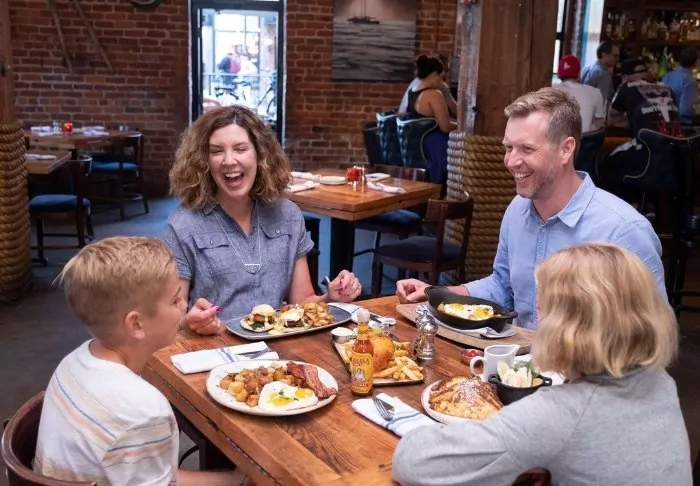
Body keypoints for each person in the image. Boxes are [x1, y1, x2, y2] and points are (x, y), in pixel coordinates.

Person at [393, 243, 692, 486]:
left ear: (566, 327)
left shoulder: (560, 413)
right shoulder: (660, 382)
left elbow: (412, 461)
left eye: (541, 307)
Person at [396, 87, 665, 330]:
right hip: (518, 362)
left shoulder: (624, 231)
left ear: (566, 149)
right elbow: (503, 286)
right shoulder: (518, 209)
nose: (511, 161)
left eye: (526, 148)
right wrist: (439, 294)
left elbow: (651, 338)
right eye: (508, 148)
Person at [34, 237, 247, 485]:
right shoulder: (143, 411)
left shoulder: (74, 361)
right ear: (136, 324)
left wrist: (233, 480)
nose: (184, 305)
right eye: (175, 300)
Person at [164, 106, 362, 335]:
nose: (229, 160)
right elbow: (170, 321)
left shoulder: (287, 214)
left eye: (240, 148)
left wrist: (331, 297)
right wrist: (189, 324)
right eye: (217, 151)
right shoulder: (183, 225)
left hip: (278, 348)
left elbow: (302, 303)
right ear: (204, 161)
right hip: (215, 349)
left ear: (260, 155)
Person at [604, 58, 682, 206]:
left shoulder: (626, 86)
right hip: (675, 158)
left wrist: (634, 120)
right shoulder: (667, 88)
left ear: (625, 76)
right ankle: (648, 206)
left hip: (646, 153)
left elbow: (612, 119)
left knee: (609, 161)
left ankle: (629, 207)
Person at [399, 55, 456, 184]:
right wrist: (462, 126)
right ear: (435, 74)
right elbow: (445, 126)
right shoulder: (434, 94)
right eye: (441, 77)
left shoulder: (413, 91)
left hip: (416, 146)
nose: (441, 81)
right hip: (433, 147)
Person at [554, 54, 605, 133]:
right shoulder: (595, 92)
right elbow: (600, 125)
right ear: (579, 74)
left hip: (557, 139)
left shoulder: (550, 90)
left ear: (559, 75)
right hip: (585, 140)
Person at [399, 54, 457, 118]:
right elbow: (454, 111)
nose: (446, 74)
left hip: (405, 120)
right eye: (446, 71)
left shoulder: (415, 84)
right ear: (436, 73)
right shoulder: (438, 87)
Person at [662, 47, 699, 125]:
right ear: (696, 62)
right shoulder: (690, 81)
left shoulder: (667, 76)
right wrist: (695, 111)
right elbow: (685, 110)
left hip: (664, 120)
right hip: (681, 124)